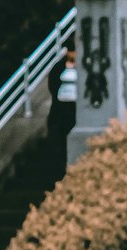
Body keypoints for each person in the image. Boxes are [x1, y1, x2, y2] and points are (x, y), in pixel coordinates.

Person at [46, 46, 77, 180]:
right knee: (60, 138)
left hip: (74, 107)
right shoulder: (59, 67)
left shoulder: (82, 67)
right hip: (61, 107)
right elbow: (53, 83)